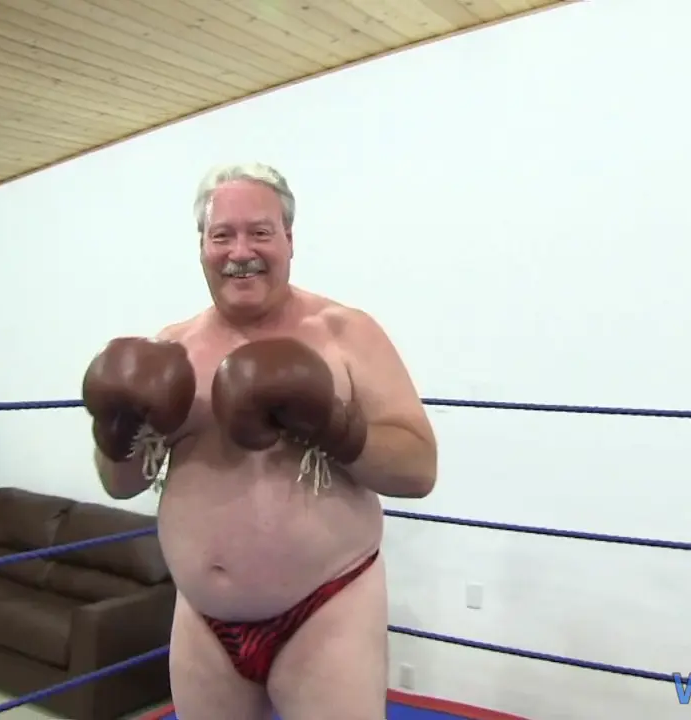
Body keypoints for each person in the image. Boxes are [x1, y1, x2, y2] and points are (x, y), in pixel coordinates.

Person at [81, 163, 438, 720]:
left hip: (327, 608)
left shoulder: (345, 333)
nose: (240, 251)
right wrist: (114, 430)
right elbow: (120, 484)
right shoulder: (172, 348)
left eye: (260, 232)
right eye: (222, 235)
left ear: (289, 240)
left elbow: (418, 469)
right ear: (202, 247)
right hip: (202, 619)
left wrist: (333, 425)